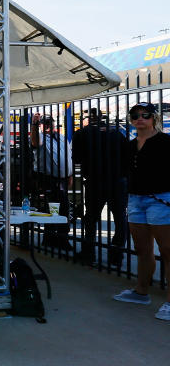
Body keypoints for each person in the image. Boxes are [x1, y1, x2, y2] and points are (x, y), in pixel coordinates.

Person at [112, 102, 170, 321]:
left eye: (145, 114)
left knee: (167, 249)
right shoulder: (129, 145)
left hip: (161, 199)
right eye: (135, 115)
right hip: (136, 200)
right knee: (142, 249)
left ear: (153, 117)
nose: (140, 118)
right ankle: (141, 291)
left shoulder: (165, 142)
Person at [72, 108, 129, 266]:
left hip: (95, 181)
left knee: (91, 218)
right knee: (120, 217)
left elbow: (76, 158)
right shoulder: (116, 133)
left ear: (86, 119)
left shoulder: (82, 134)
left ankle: (88, 252)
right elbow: (127, 156)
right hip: (117, 180)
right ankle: (116, 254)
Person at [30, 113, 73, 249]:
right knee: (55, 209)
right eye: (45, 123)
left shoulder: (61, 138)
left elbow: (68, 156)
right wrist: (35, 125)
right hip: (48, 179)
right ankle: (53, 238)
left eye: (50, 122)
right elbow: (35, 141)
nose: (48, 125)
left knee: (62, 209)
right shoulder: (41, 137)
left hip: (63, 179)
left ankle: (58, 238)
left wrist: (70, 174)